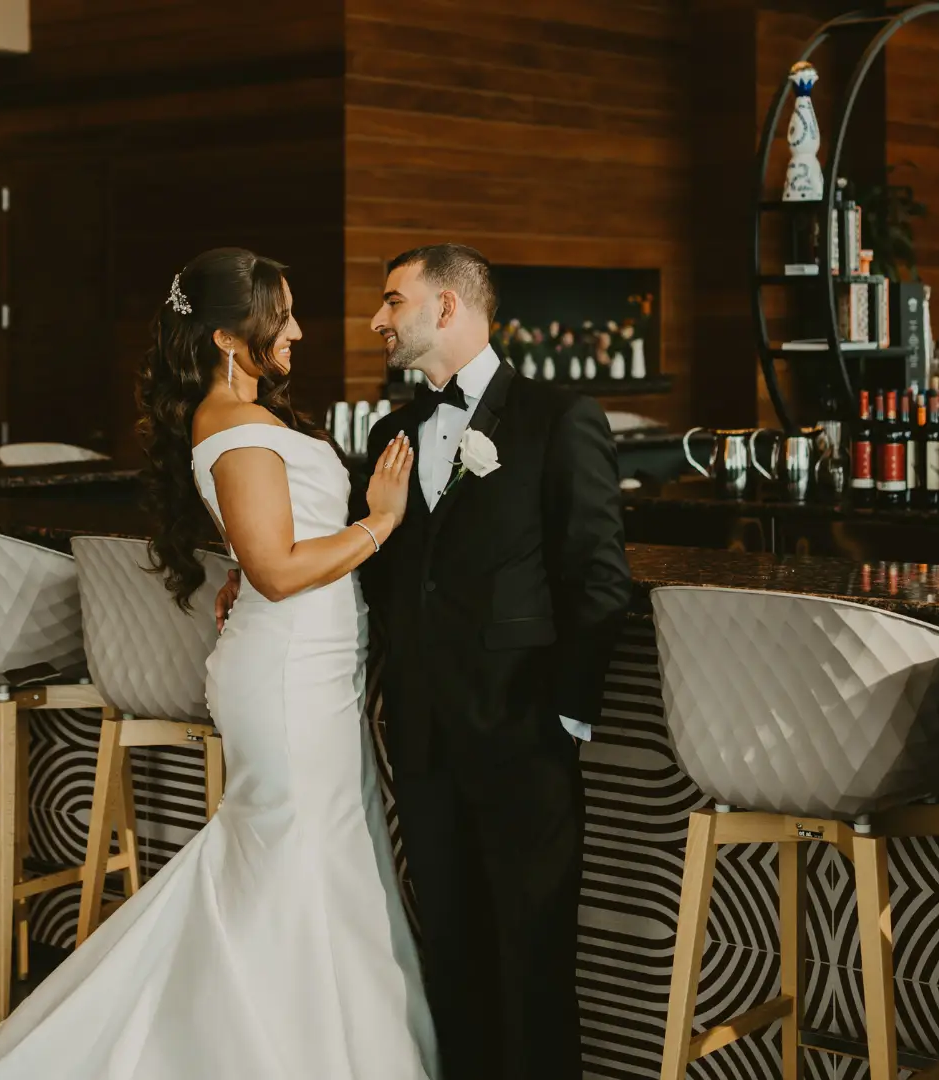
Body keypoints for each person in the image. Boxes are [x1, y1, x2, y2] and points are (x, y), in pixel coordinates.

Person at [0, 247, 439, 1080]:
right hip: (292, 683)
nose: (298, 330)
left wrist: (249, 575)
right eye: (283, 315)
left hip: (310, 672)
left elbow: (259, 554)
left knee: (318, 861)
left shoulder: (237, 418)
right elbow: (276, 566)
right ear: (230, 336)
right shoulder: (230, 426)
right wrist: (382, 521)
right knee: (296, 865)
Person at [221, 243, 631, 1079]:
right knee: (448, 950)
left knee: (533, 957)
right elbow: (387, 567)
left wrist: (565, 719)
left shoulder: (559, 418)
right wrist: (259, 576)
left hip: (525, 735)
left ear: (447, 308)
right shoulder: (392, 431)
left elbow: (597, 578)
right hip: (421, 733)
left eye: (392, 301)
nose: (377, 319)